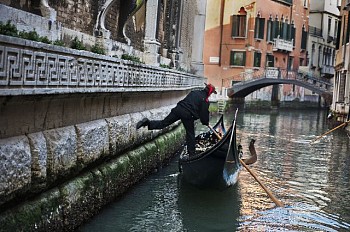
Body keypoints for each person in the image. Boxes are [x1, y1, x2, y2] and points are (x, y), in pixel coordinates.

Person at [136, 83, 217, 157]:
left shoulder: (194, 92)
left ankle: (147, 123)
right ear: (210, 93)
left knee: (163, 123)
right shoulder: (205, 101)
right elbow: (204, 114)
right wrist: (205, 122)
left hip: (178, 109)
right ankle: (192, 154)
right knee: (190, 134)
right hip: (187, 115)